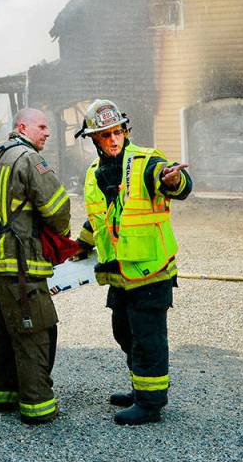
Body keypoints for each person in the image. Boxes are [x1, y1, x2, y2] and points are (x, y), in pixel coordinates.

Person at [75, 99, 191, 426]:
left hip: (151, 272)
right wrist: (79, 246)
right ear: (94, 139)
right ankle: (140, 387)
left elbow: (174, 182)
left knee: (148, 338)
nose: (113, 139)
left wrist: (173, 181)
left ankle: (151, 403)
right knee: (124, 333)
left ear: (126, 131)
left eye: (118, 132)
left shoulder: (147, 161)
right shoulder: (94, 173)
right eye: (105, 135)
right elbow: (100, 219)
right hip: (120, 274)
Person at [0, 108, 71, 424]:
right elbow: (57, 207)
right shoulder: (29, 159)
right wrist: (62, 234)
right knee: (34, 333)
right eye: (41, 126)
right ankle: (37, 406)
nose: (47, 132)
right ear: (22, 127)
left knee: (2, 331)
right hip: (21, 267)